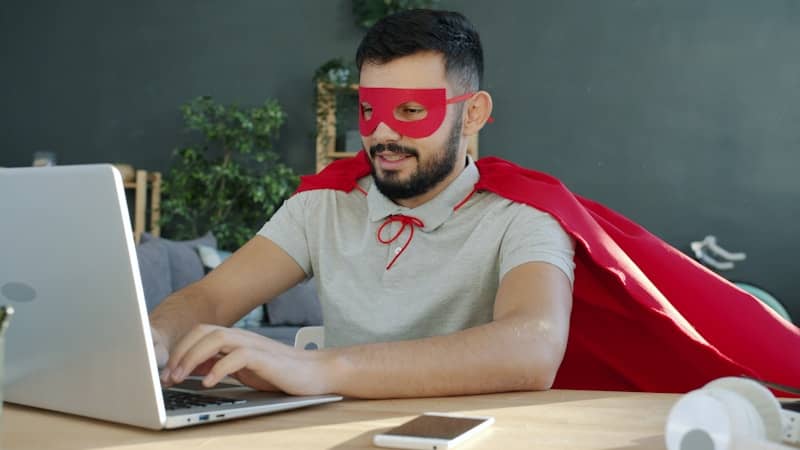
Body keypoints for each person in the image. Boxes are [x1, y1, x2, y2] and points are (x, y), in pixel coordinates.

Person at [150, 9, 576, 399]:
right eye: (371, 109)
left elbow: (535, 346)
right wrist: (155, 338)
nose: (384, 133)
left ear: (473, 115)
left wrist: (322, 368)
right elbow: (212, 297)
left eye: (411, 110)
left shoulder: (525, 217)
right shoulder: (320, 207)